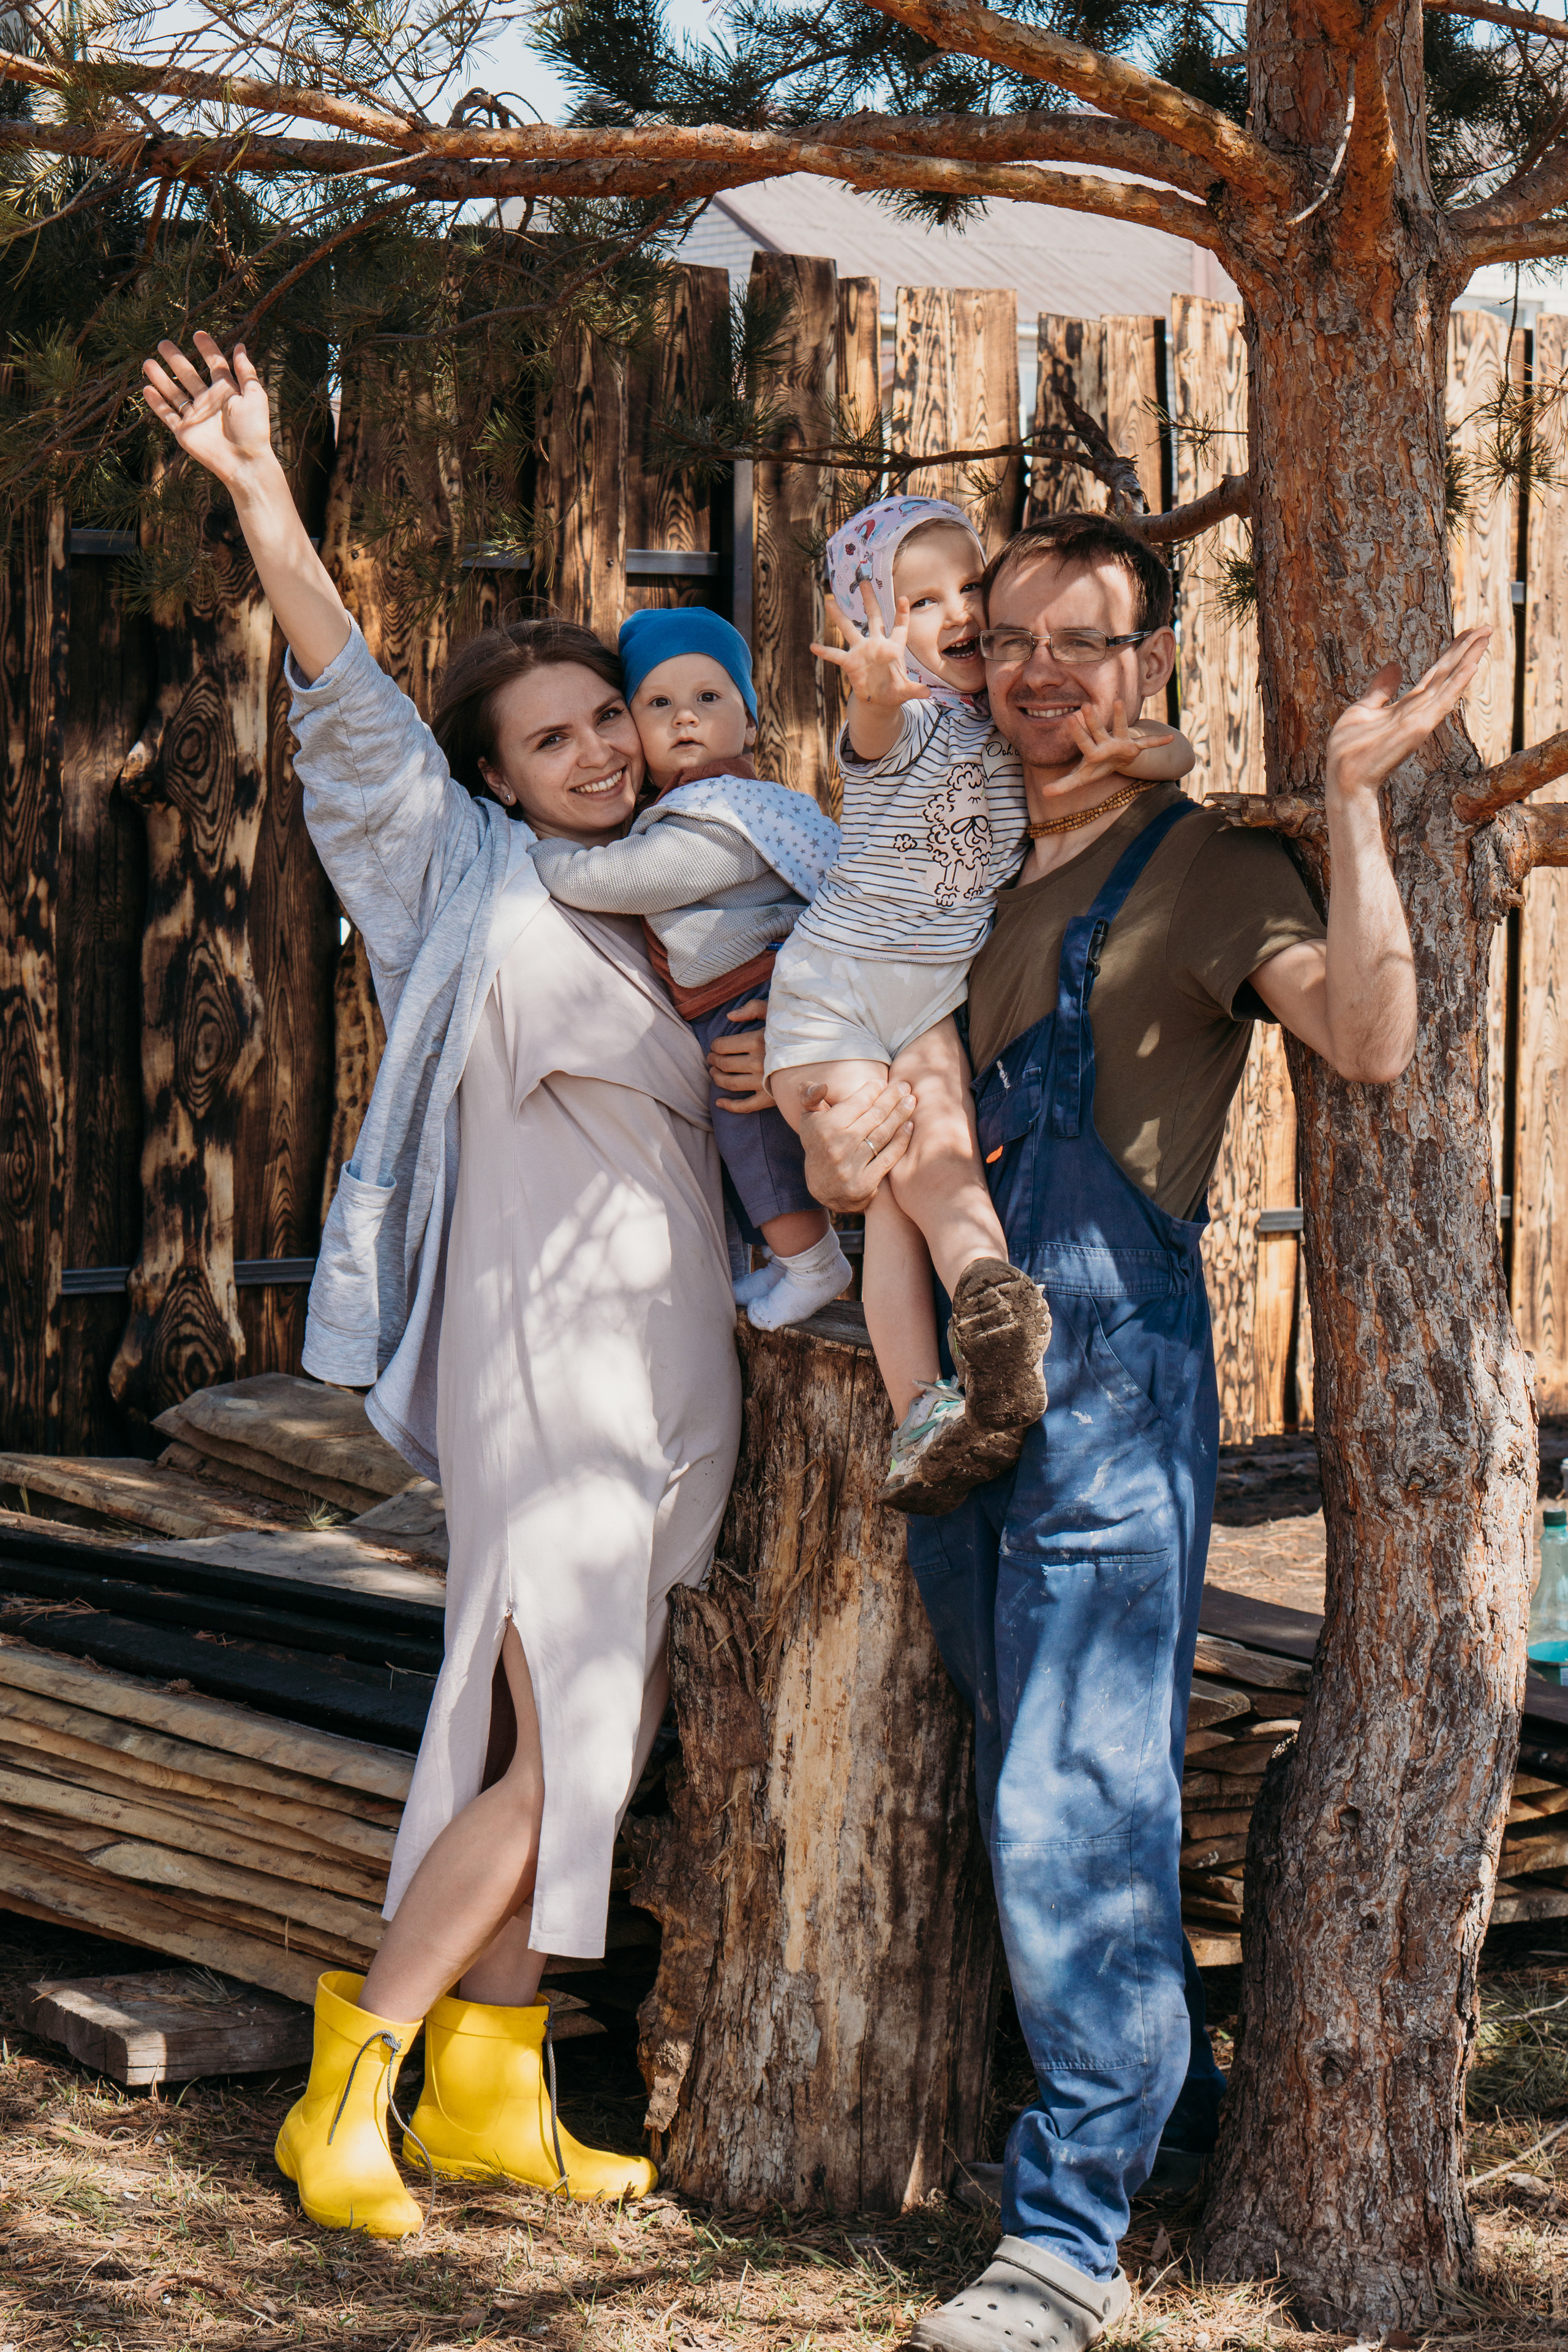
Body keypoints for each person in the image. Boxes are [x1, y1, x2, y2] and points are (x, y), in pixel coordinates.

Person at [783, 509, 1489, 2352]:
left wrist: (1340, 803)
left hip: (1110, 1382)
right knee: (1043, 1779)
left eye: (1085, 642)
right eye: (1009, 635)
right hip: (950, 1387)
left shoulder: (1202, 869)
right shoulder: (954, 836)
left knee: (1069, 1803)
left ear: (1148, 662)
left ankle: (1065, 2240)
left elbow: (1369, 1032)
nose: (1040, 671)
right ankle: (1128, 2139)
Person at [141, 330, 742, 2234]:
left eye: (606, 723)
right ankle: (356, 2083)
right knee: (569, 1720)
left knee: (577, 1722)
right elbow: (351, 712)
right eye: (548, 734)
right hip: (535, 1339)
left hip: (678, 1341)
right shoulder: (458, 879)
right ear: (492, 774)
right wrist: (261, 492)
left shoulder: (704, 879)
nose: (591, 752)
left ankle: (494, 2088)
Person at [766, 495, 1194, 1515]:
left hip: (922, 1007)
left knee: (933, 1178)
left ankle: (991, 1309)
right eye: (918, 601)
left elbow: (1174, 754)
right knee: (885, 1190)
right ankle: (924, 1399)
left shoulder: (1006, 725)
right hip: (830, 999)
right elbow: (868, 727)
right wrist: (876, 685)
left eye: (970, 588)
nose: (955, 611)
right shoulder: (905, 723)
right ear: (872, 620)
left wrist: (1142, 754)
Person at [530, 605, 852, 1330]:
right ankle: (785, 1258)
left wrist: (547, 857)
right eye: (659, 703)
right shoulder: (688, 806)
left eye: (709, 698)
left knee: (752, 1135)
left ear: (748, 717)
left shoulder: (729, 815)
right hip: (728, 998)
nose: (685, 718)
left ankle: (816, 1265)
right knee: (735, 1139)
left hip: (753, 996)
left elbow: (633, 879)